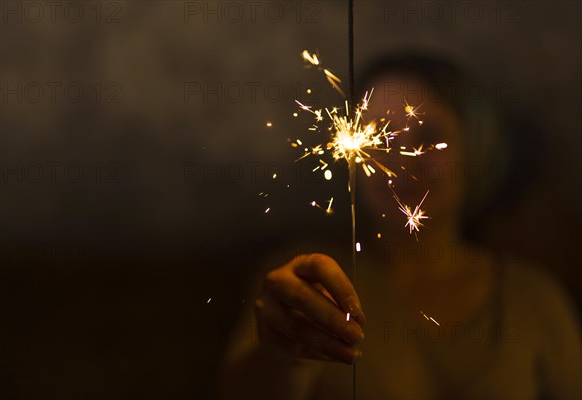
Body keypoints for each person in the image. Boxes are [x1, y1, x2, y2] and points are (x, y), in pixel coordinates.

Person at [217, 52, 582, 399]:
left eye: (428, 137)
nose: (401, 161)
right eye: (383, 135)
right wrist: (283, 354)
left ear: (474, 152)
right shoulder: (305, 285)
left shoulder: (534, 301)